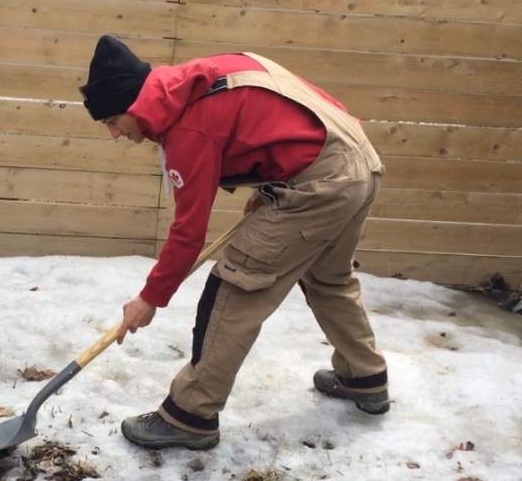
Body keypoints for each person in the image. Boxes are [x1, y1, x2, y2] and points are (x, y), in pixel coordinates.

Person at [79, 35, 389, 451]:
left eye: (113, 120)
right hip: (358, 163)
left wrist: (150, 298)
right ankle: (364, 376)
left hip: (321, 182)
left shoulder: (189, 127)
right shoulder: (201, 78)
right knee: (328, 279)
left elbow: (188, 232)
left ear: (134, 105)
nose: (114, 133)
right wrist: (275, 182)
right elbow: (276, 118)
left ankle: (191, 414)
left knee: (235, 288)